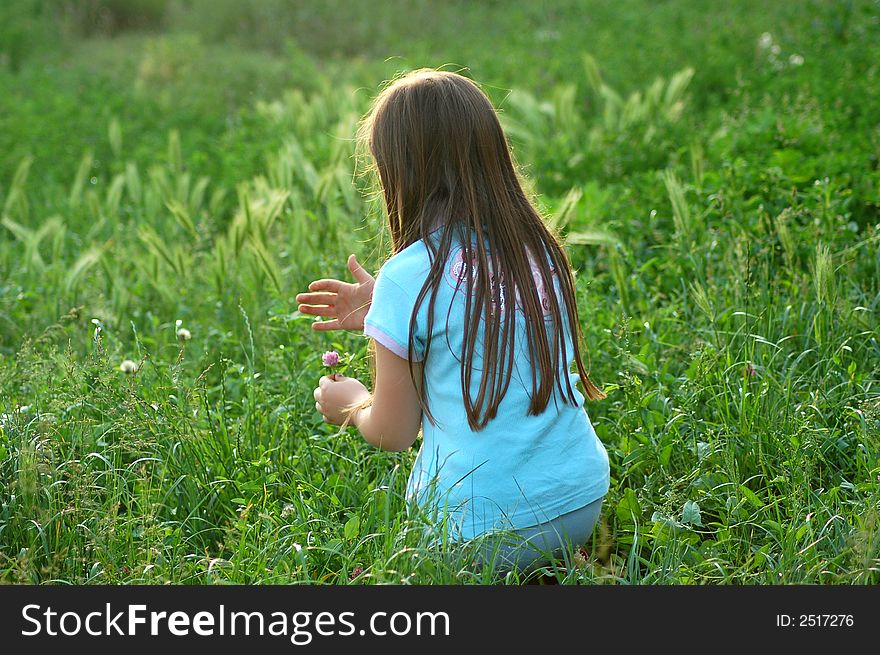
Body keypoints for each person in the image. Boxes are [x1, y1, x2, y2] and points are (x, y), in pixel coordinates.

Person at [297, 69, 609, 572]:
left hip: (479, 533)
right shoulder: (537, 249)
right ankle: (556, 564)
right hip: (581, 502)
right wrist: (388, 309)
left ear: (397, 175)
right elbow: (479, 311)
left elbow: (395, 432)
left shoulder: (409, 276)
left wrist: (352, 404)